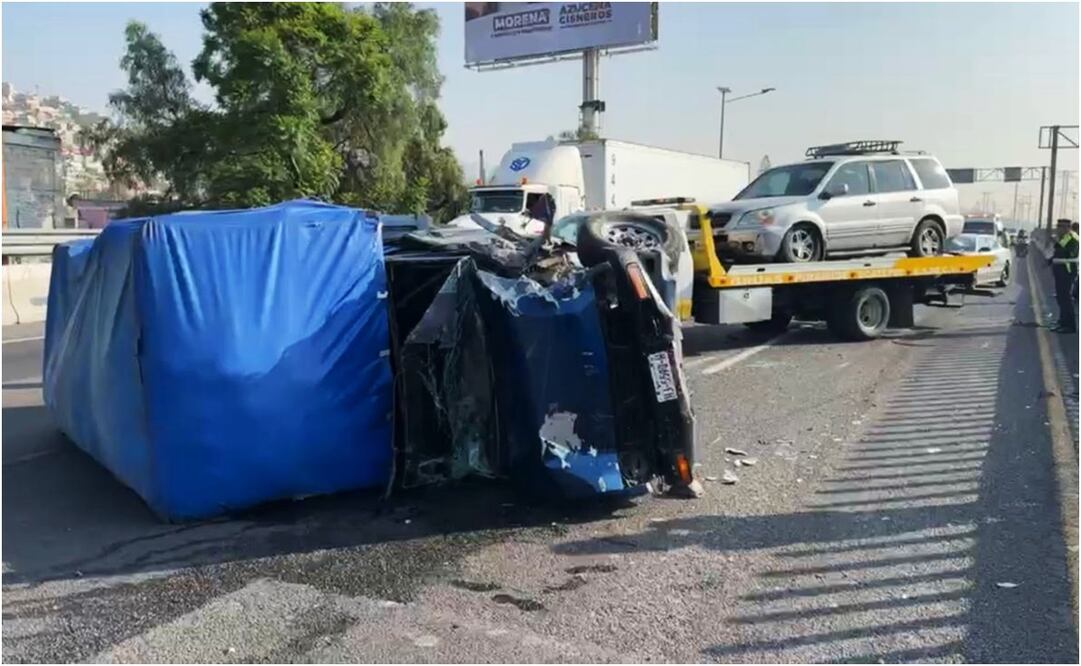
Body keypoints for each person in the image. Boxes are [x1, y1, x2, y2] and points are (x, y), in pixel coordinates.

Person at [1049, 218, 1078, 333]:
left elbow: (1068, 253)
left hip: (1067, 272)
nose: (1057, 229)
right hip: (1060, 271)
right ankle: (1062, 322)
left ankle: (1070, 326)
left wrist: (1057, 243)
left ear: (1066, 228)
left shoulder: (1074, 238)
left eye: (1059, 227)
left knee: (1066, 299)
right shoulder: (1064, 237)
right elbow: (1057, 251)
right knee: (1061, 298)